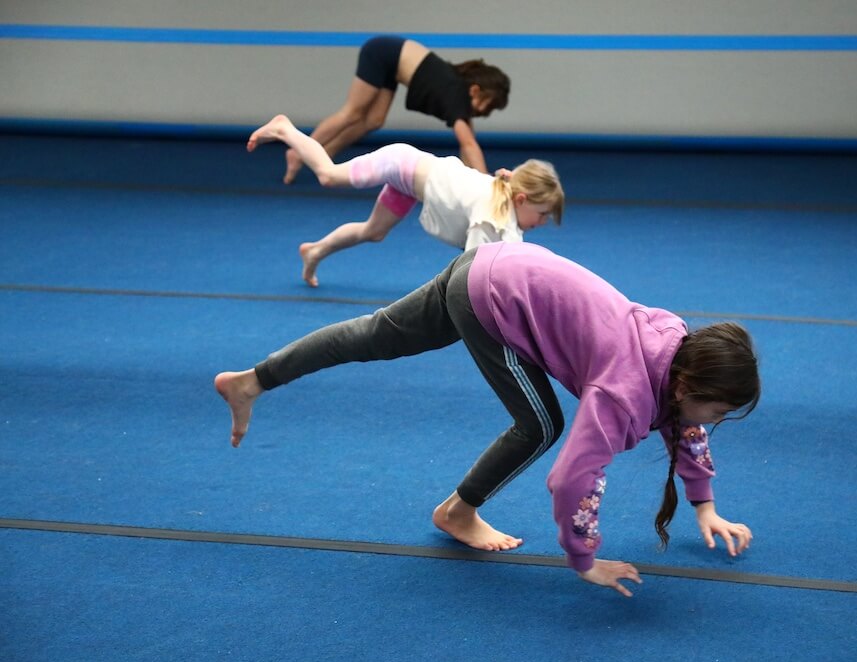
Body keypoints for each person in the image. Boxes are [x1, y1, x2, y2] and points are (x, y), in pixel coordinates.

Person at [215, 242, 761, 597]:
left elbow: (684, 423)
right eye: (718, 411)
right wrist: (584, 558)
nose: (711, 423)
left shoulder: (675, 348)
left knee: (376, 334)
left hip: (491, 261)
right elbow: (573, 476)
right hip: (495, 299)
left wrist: (705, 505)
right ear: (688, 386)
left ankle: (252, 379)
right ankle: (458, 512)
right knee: (541, 426)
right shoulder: (623, 392)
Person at [248, 114, 564, 288]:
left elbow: (513, 247)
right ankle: (284, 129)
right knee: (329, 175)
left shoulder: (504, 202)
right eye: (542, 214)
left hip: (411, 186)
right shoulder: (490, 210)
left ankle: (314, 251)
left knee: (373, 232)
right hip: (401, 164)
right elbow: (474, 269)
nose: (542, 223)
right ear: (521, 199)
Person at [281, 35, 510, 184]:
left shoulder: (459, 93)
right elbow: (468, 144)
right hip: (382, 52)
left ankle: (325, 153)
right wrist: (486, 184)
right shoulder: (455, 93)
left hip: (393, 63)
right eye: (486, 105)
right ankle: (298, 150)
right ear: (475, 90)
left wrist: (474, 177)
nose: (483, 112)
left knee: (373, 121)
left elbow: (468, 142)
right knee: (353, 112)